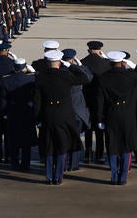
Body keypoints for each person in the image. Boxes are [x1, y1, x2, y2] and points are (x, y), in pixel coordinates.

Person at [34, 50, 86, 185]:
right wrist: (71, 66)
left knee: (49, 147)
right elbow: (85, 78)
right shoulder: (66, 75)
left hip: (48, 116)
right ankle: (58, 177)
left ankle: (49, 176)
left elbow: (37, 102)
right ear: (59, 62)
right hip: (64, 116)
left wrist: (37, 119)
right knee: (62, 146)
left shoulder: (40, 78)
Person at [96, 51, 137, 185]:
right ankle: (123, 177)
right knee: (126, 145)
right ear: (122, 62)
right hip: (128, 115)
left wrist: (100, 119)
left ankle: (114, 176)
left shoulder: (103, 78)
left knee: (112, 146)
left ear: (110, 62)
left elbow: (100, 101)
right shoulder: (131, 76)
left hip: (111, 114)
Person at [0, 57, 37, 171]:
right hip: (27, 112)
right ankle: (26, 164)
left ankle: (14, 163)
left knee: (14, 140)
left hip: (13, 112)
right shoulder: (31, 79)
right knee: (26, 142)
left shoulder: (6, 80)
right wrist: (33, 71)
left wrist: (4, 112)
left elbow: (3, 99)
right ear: (25, 67)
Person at [80, 40, 111, 164]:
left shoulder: (83, 62)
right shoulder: (105, 63)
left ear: (89, 50)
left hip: (86, 99)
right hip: (100, 100)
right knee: (99, 129)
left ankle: (87, 154)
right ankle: (99, 155)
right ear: (99, 50)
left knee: (88, 128)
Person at [61, 48, 92, 172]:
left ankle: (62, 164)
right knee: (75, 138)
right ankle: (73, 164)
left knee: (64, 138)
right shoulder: (77, 72)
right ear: (73, 59)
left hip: (64, 110)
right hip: (77, 110)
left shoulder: (61, 72)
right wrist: (80, 66)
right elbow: (88, 77)